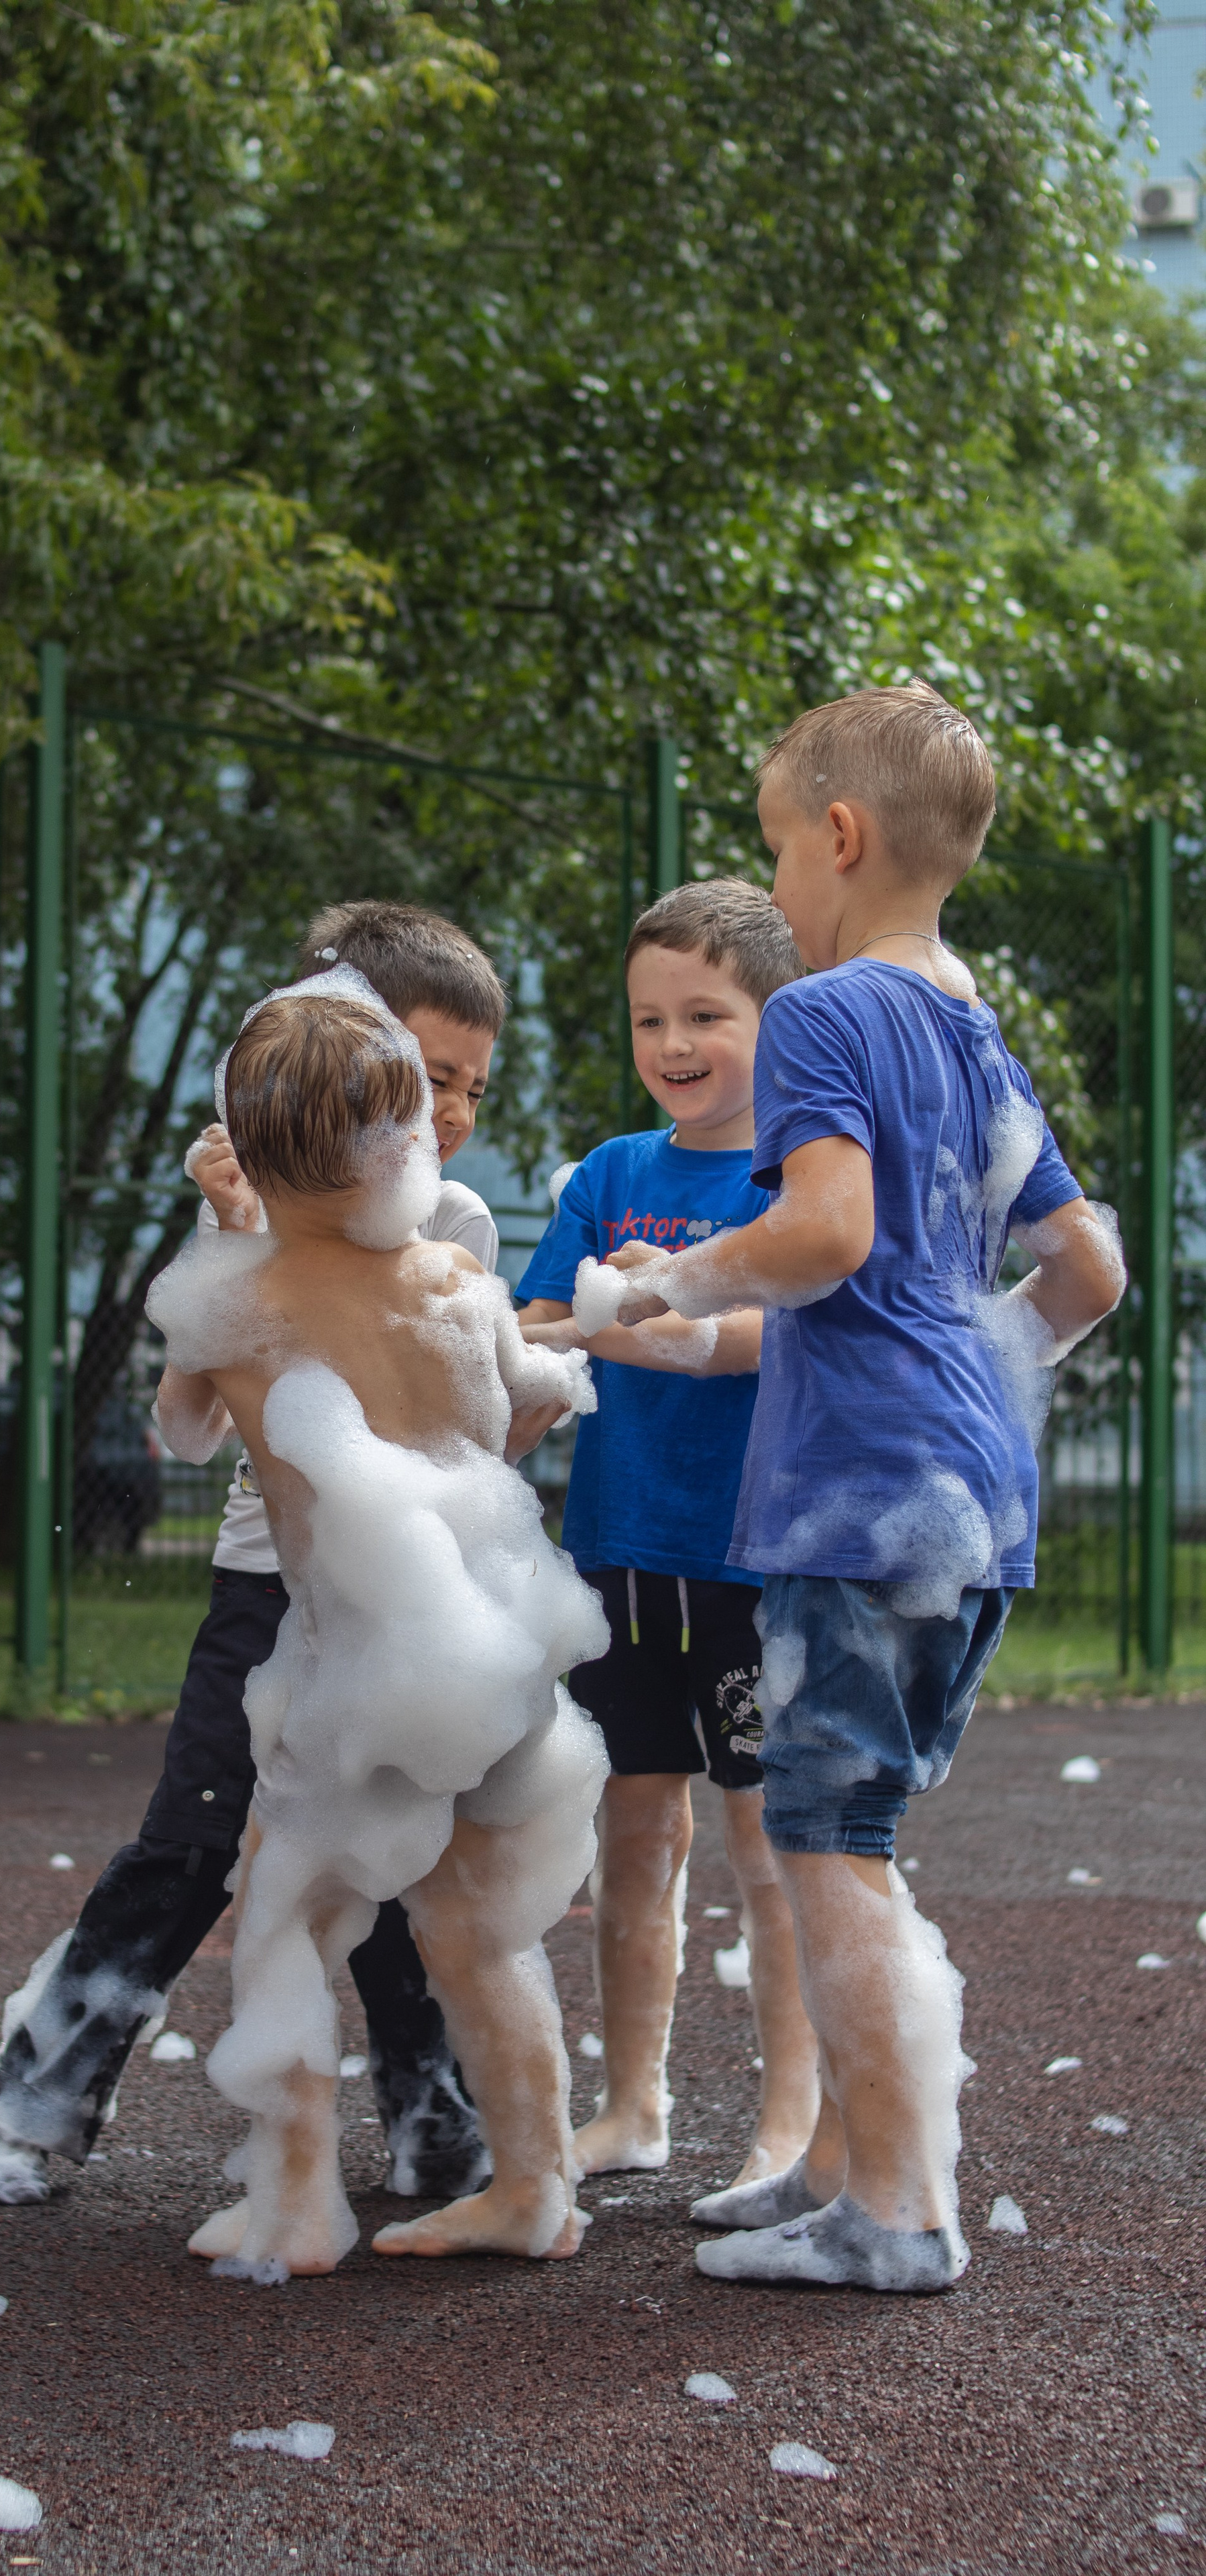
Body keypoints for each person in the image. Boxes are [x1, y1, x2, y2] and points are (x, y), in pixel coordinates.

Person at [600, 684, 1125, 2292]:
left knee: (826, 1840)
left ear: (834, 839)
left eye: (773, 852)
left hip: (856, 1495)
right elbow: (1086, 1271)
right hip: (971, 1498)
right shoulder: (975, 1034)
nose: (775, 886)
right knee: (858, 1830)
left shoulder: (824, 1013)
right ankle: (832, 2167)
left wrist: (668, 1287)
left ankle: (893, 2213)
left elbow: (820, 1237)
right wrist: (967, 1368)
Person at [0, 903, 515, 2208]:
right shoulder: (245, 1226)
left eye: (470, 1089)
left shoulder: (459, 1226)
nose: (443, 1113)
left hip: (394, 1605)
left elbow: (468, 1432)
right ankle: (38, 2099)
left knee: (396, 1863)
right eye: (423, 1079)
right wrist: (230, 1248)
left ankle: (439, 2126)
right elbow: (179, 1428)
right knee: (188, 1844)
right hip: (264, 1599)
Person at [151, 975, 607, 2275]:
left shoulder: (236, 1308)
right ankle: (535, 2187)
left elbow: (177, 1434)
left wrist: (228, 1233)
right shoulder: (459, 1281)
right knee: (476, 1938)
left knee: (285, 1924)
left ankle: (295, 2211)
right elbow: (531, 1403)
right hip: (503, 1659)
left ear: (249, 1150)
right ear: (402, 1139)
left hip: (359, 1682)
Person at [515, 879, 822, 2198]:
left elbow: (782, 1330)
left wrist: (645, 1324)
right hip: (618, 1554)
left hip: (757, 1562)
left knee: (770, 1846)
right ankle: (631, 2105)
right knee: (632, 1832)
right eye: (649, 1018)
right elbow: (533, 1328)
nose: (673, 1043)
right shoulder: (609, 1175)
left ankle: (789, 2126)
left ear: (776, 1018)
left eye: (705, 1013)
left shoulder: (804, 1181)